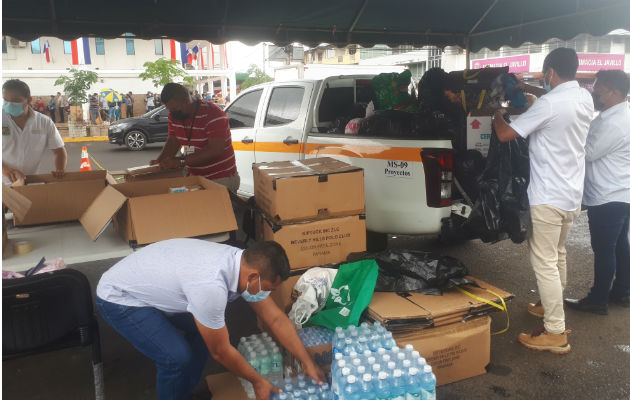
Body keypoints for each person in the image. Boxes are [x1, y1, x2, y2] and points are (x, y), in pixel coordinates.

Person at [96, 239, 325, 400]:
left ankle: (183, 390)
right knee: (176, 357)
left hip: (155, 285)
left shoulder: (242, 264)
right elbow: (220, 352)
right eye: (266, 289)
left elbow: (275, 319)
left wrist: (306, 361)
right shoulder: (210, 285)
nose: (266, 294)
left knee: (206, 334)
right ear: (254, 276)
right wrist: (257, 381)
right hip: (121, 297)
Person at [492, 48, 594, 354]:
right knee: (558, 253)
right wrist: (529, 88)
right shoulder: (583, 97)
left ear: (550, 72)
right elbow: (552, 98)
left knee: (545, 263)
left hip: (547, 196)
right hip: (571, 194)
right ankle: (549, 306)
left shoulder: (549, 103)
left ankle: (555, 331)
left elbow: (506, 135)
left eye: (544, 75)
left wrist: (496, 113)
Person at [564, 70, 630, 314]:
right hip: (621, 193)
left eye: (599, 88)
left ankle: (598, 300)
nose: (595, 92)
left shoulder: (615, 122)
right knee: (620, 245)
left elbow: (588, 153)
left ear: (614, 92)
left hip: (608, 196)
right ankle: (622, 291)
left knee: (604, 250)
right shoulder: (618, 114)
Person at [151, 83, 240, 192]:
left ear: (186, 100)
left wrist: (180, 161)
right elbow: (173, 141)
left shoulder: (213, 114)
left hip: (220, 177)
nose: (172, 113)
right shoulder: (175, 116)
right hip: (195, 176)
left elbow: (215, 150)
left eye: (174, 108)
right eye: (169, 109)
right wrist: (160, 161)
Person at [2, 80, 67, 184]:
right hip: (3, 185)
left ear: (29, 100)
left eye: (15, 101)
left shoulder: (44, 122)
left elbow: (59, 150)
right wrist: (4, 168)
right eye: (6, 100)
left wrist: (60, 169)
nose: (9, 104)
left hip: (31, 183)